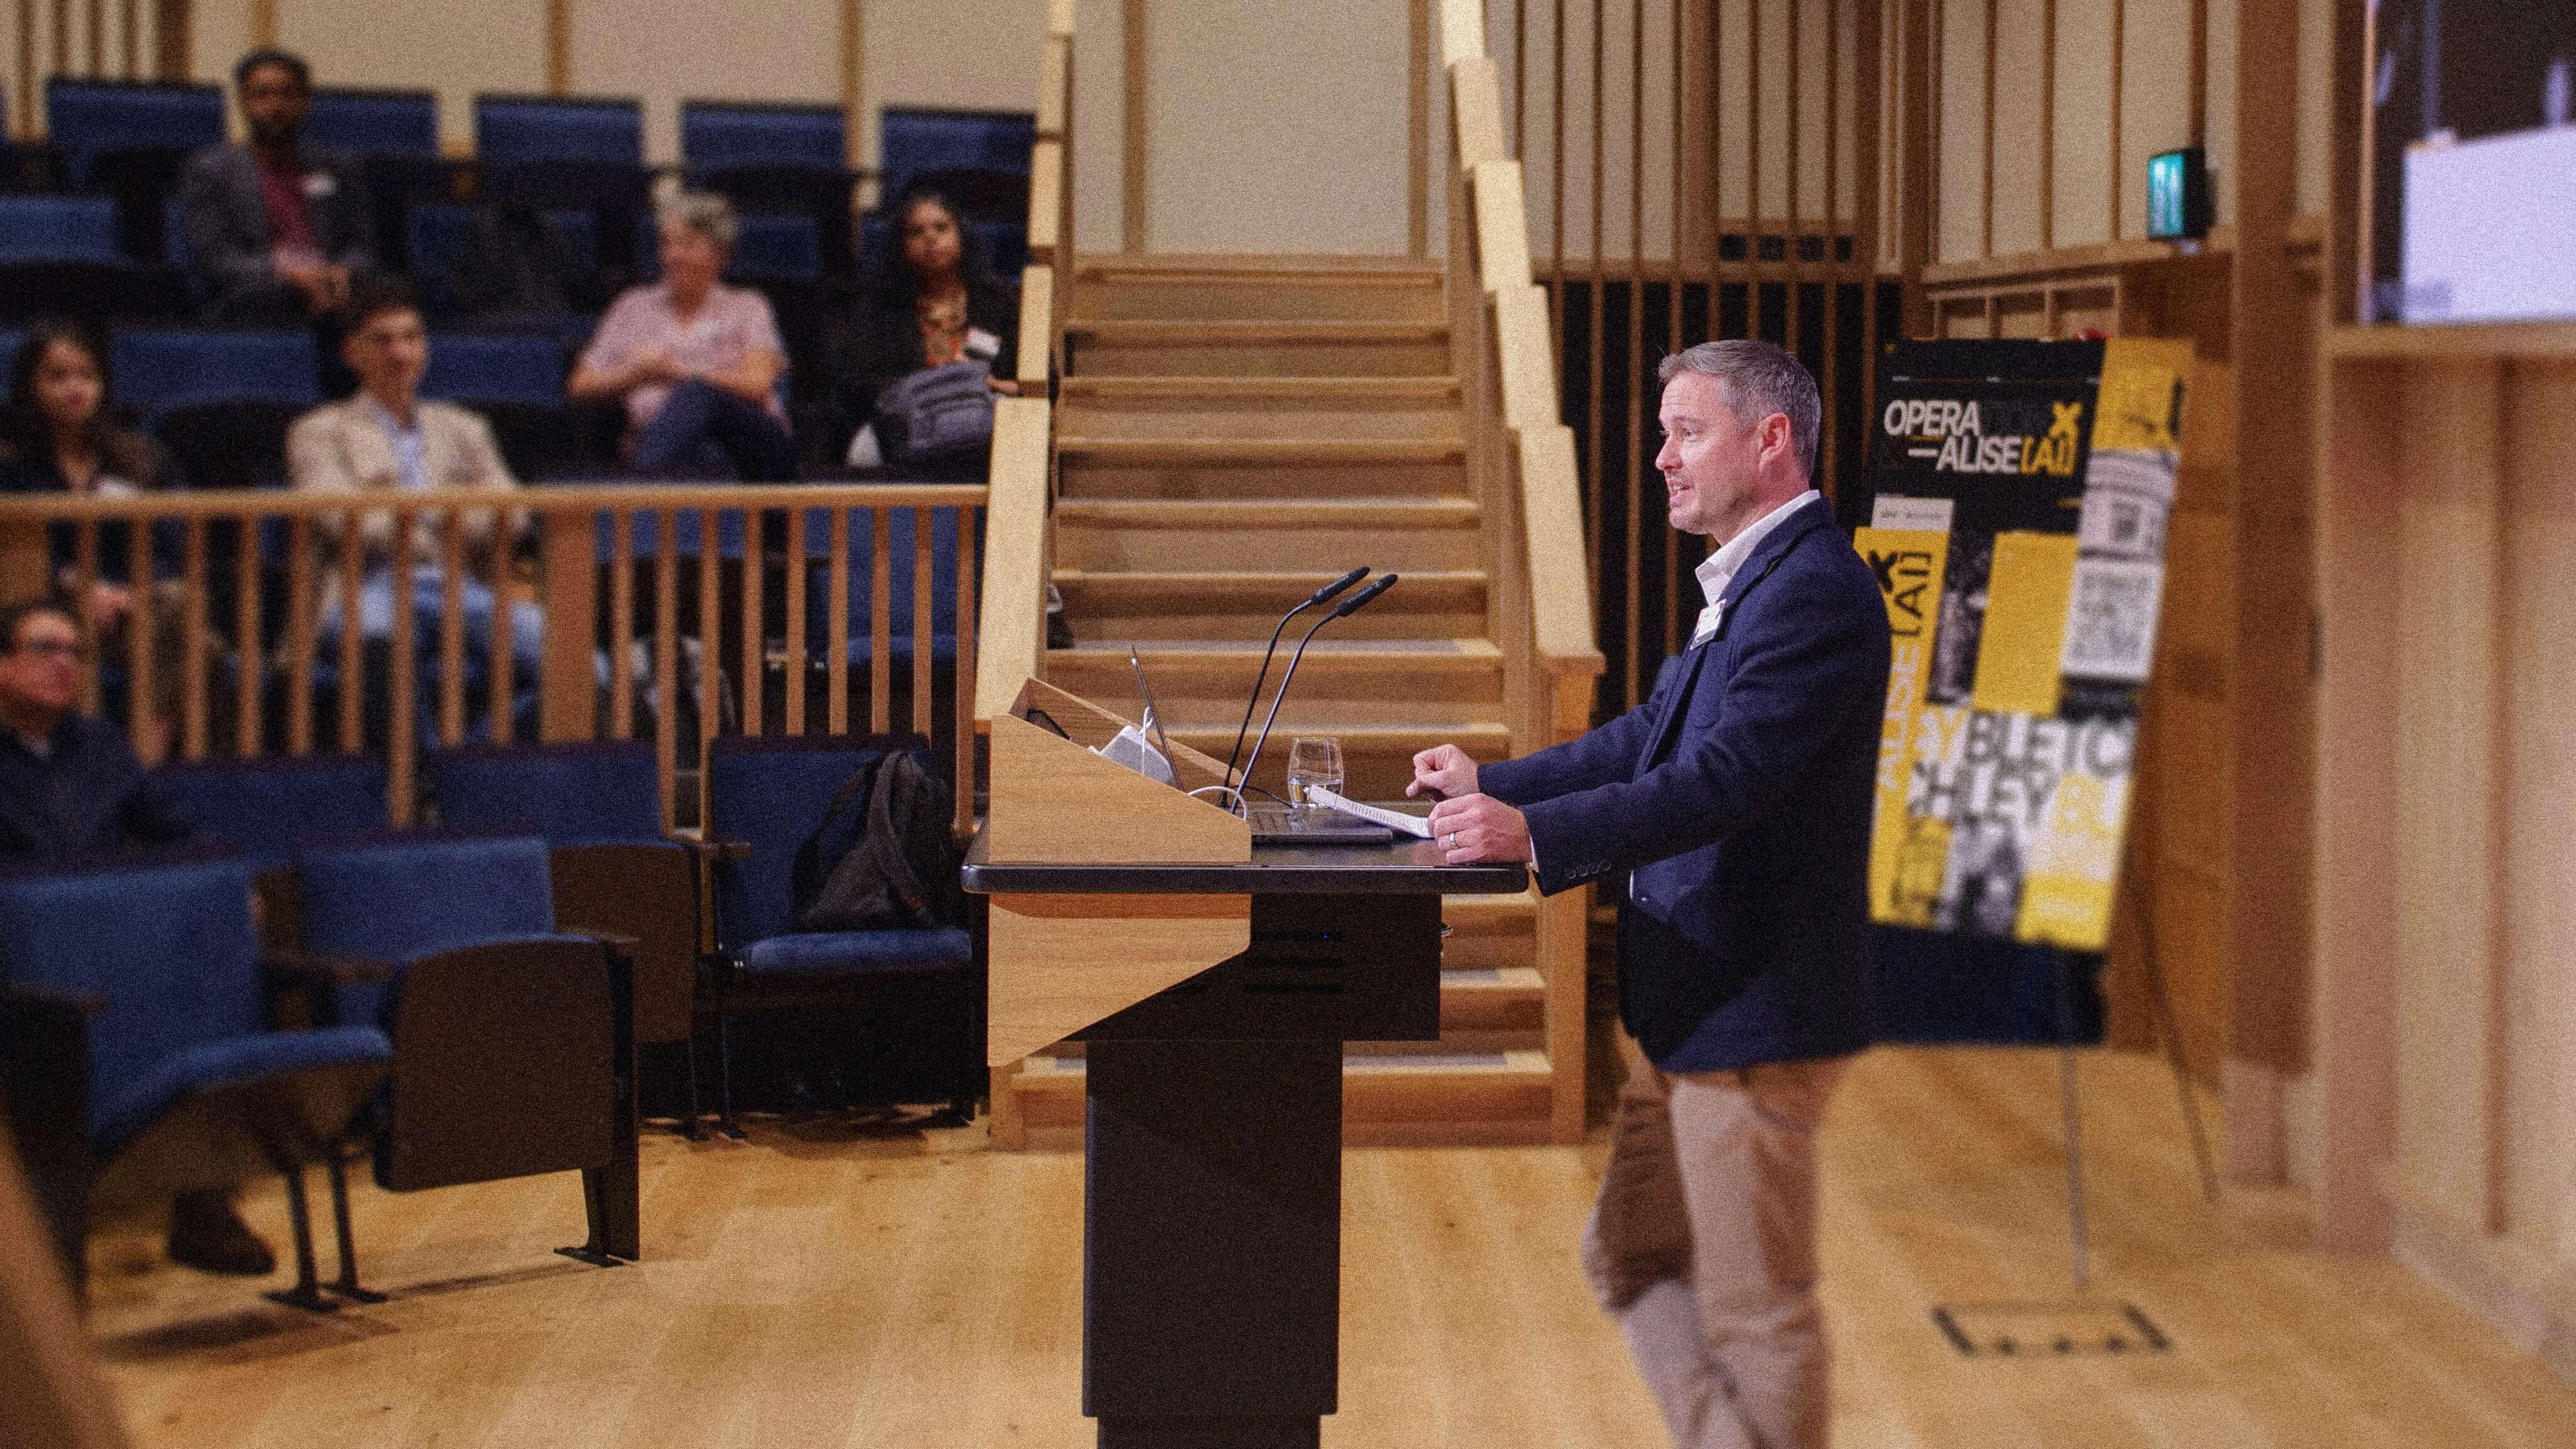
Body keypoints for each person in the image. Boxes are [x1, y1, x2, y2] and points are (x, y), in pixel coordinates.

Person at [1408, 339, 1886, 1449]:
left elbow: (1725, 782)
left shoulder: (1814, 589)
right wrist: (1499, 786)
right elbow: (1649, 738)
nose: (1663, 459)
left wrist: (1534, 834)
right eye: (1663, 435)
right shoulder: (1751, 578)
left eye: (1687, 433)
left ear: (1770, 442)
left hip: (1755, 1015)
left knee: (1759, 1314)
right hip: (1690, 1014)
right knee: (1624, 1256)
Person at [0, 597, 278, 1277]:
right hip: (17, 962)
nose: (63, 664)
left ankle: (201, 1200)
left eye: (74, 651)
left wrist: (228, 881)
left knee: (203, 972)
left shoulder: (97, 746)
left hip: (111, 947)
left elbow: (172, 828)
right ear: (2, 662)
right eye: (44, 648)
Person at [287, 277, 539, 736]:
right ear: (352, 353)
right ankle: (415, 784)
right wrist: (457, 504)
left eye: (411, 338)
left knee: (584, 667)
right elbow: (347, 523)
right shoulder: (319, 432)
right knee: (379, 643)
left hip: (461, 584)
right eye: (383, 341)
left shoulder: (466, 428)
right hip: (368, 584)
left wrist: (403, 510)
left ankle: (461, 768)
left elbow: (514, 516)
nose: (400, 353)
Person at [0, 319, 209, 748]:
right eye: (57, 377)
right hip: (38, 601)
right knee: (198, 644)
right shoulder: (8, 459)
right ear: (29, 386)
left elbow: (172, 544)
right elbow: (13, 550)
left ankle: (141, 756)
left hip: (134, 603)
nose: (75, 388)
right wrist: (81, 586)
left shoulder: (138, 456)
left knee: (188, 614)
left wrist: (126, 590)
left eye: (87, 376)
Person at [568, 191, 798, 481]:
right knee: (696, 457)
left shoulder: (747, 306)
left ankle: (639, 494)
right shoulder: (632, 306)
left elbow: (758, 386)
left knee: (699, 394)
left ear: (720, 255)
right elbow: (580, 385)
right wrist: (636, 375)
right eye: (667, 244)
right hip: (662, 441)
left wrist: (675, 372)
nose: (673, 255)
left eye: (687, 244)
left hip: (747, 446)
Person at [176, 48, 374, 328]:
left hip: (334, 291)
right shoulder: (211, 170)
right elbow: (215, 259)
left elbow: (362, 244)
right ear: (244, 102)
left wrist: (343, 271)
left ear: (305, 101)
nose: (275, 106)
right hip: (257, 294)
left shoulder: (337, 166)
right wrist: (289, 275)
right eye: (262, 94)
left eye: (287, 94)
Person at [832, 184, 1020, 468]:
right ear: (901, 246)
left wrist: (1003, 387)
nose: (930, 238)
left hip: (989, 420)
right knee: (863, 452)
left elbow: (1043, 376)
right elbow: (855, 383)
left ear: (961, 236)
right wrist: (918, 390)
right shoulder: (882, 305)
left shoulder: (1000, 300)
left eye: (941, 228)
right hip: (907, 426)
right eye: (917, 232)